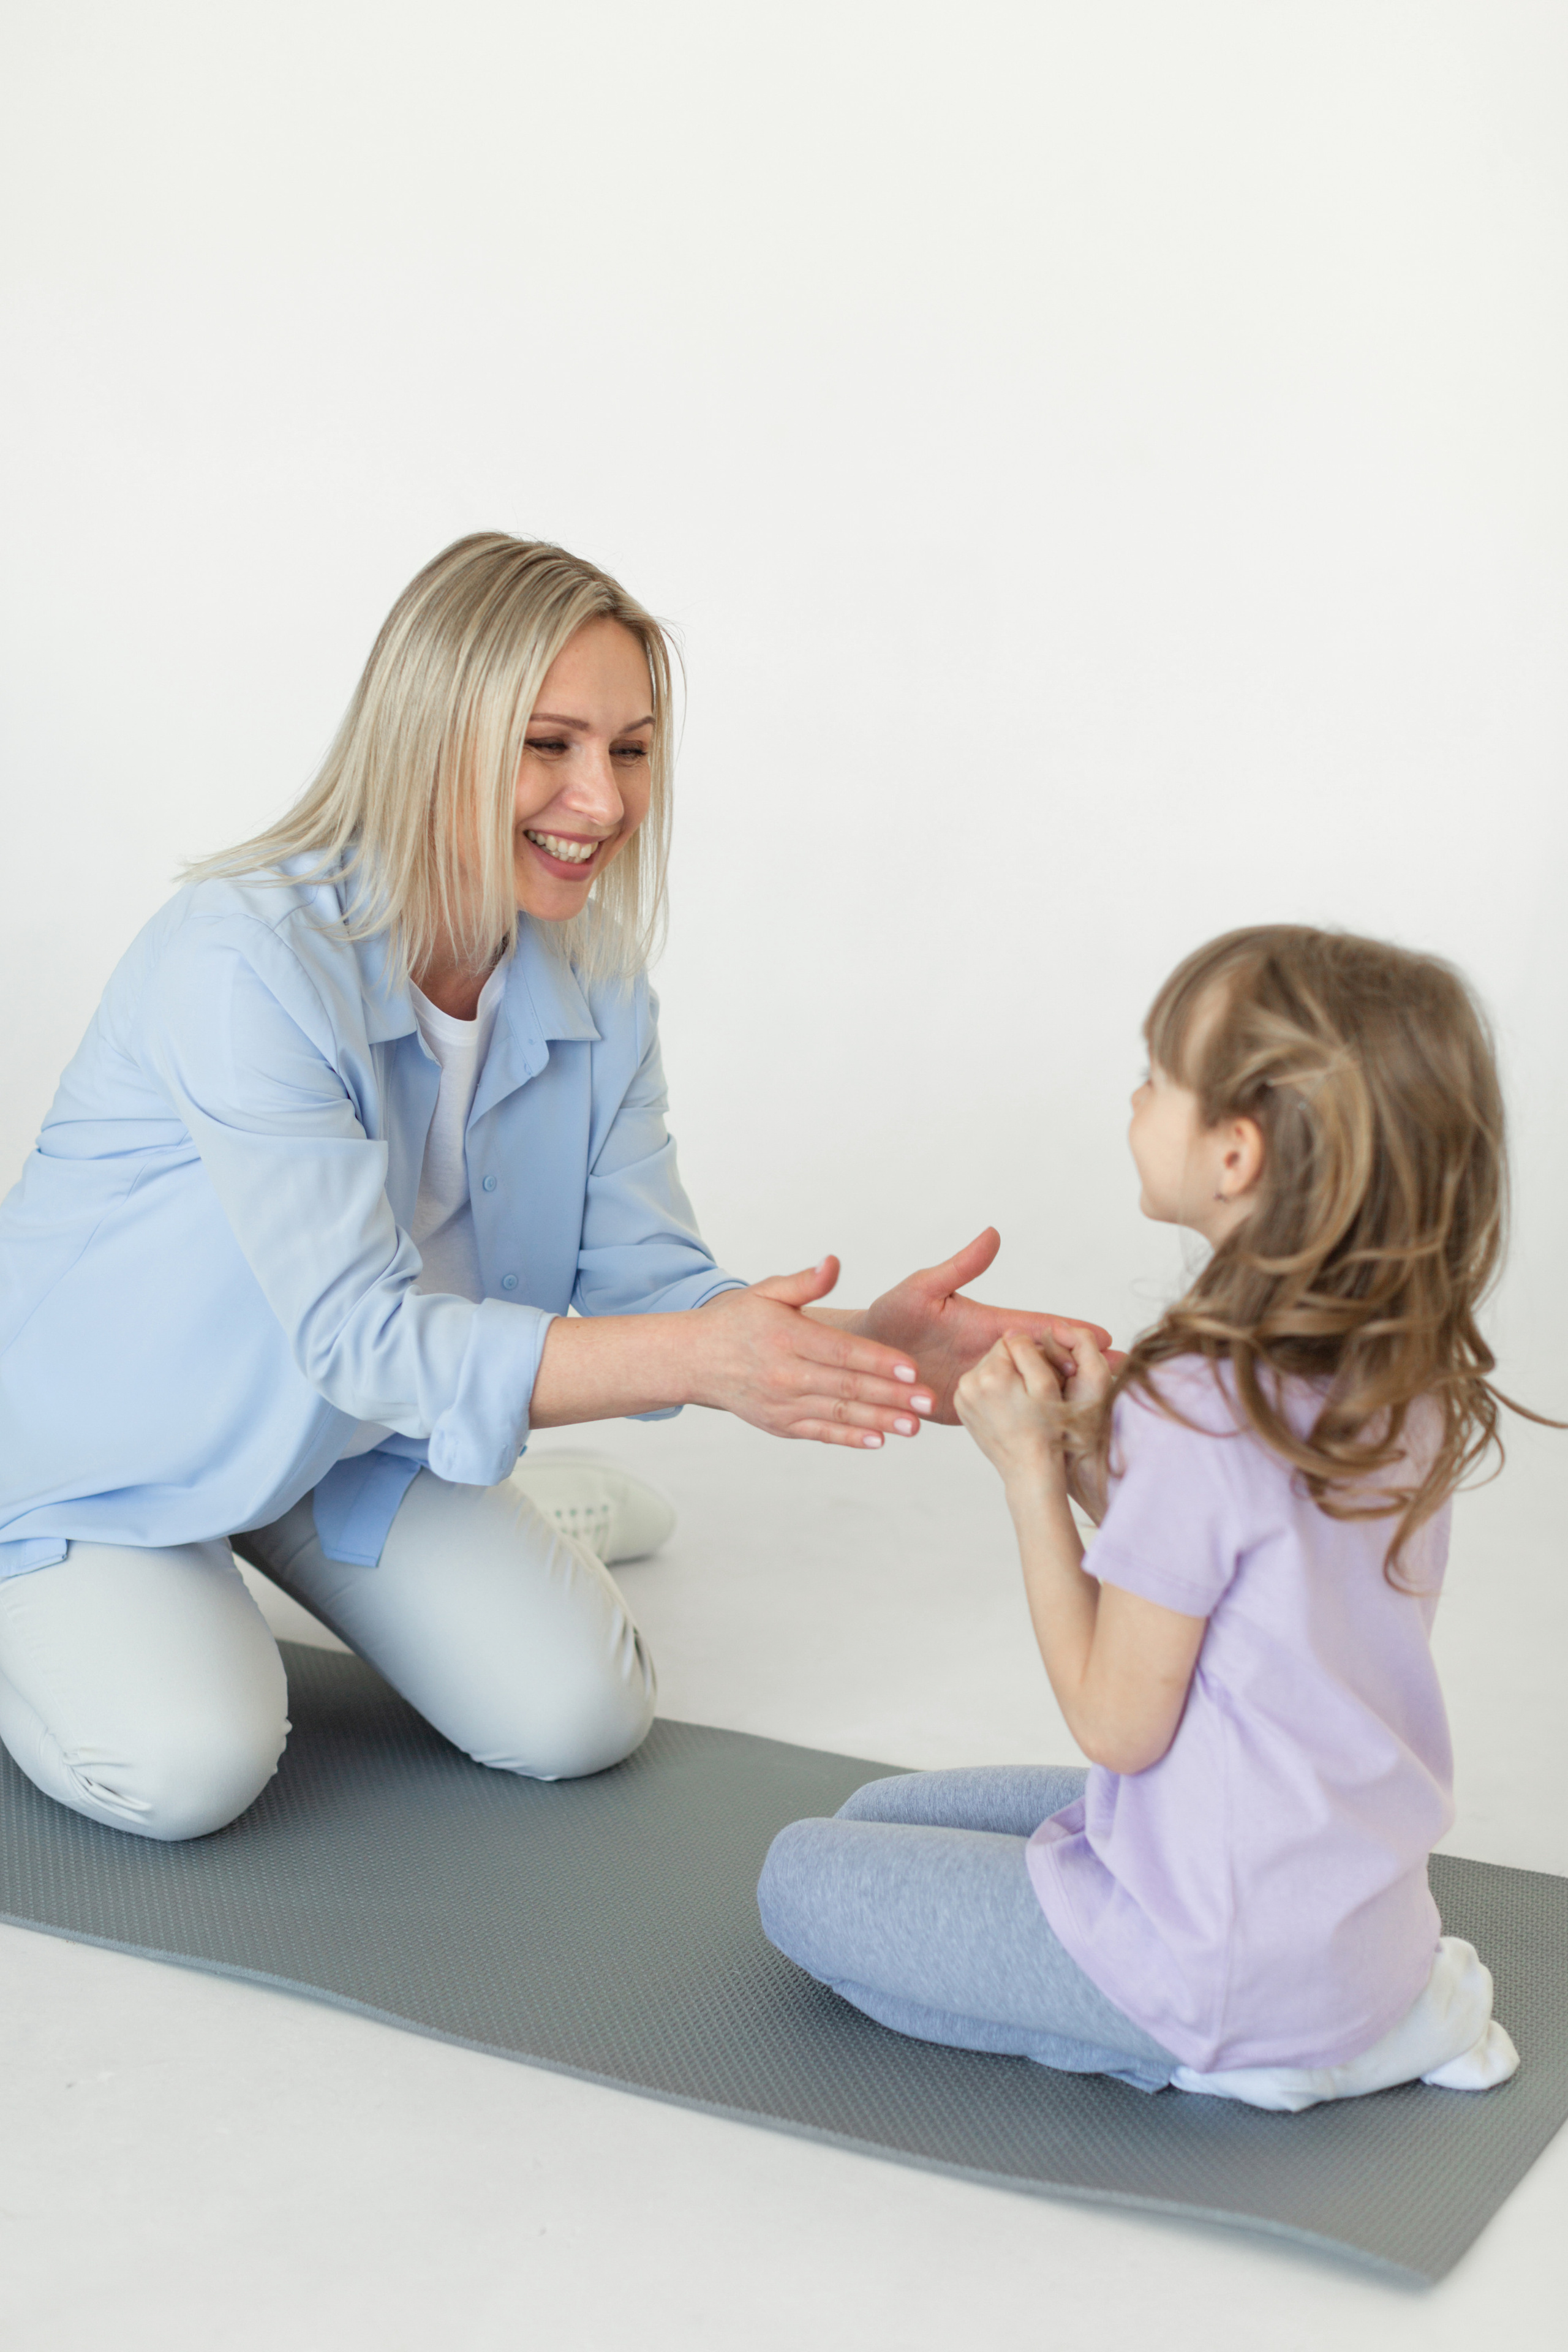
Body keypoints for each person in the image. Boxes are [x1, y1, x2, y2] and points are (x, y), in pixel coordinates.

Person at [0, 532, 1103, 1842]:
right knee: (187, 1767)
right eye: (549, 745)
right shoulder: (244, 962)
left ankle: (374, 1518)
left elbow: (646, 1287)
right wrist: (702, 1359)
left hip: (346, 1438)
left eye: (630, 750)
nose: (603, 800)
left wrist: (876, 1348)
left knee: (578, 1716)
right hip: (104, 1451)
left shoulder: (594, 982)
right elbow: (364, 1336)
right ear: (432, 738)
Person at [759, 925, 1534, 2111]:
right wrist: (1090, 1457)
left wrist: (1026, 1471)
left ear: (1234, 1153)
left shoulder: (1196, 1406)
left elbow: (1114, 1725)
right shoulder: (1399, 1371)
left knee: (798, 1877)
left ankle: (1243, 2054)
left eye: (1154, 1077)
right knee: (879, 1813)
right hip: (1348, 1911)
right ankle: (1374, 2004)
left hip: (1214, 1966)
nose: (1133, 1098)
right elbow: (1238, 1582)